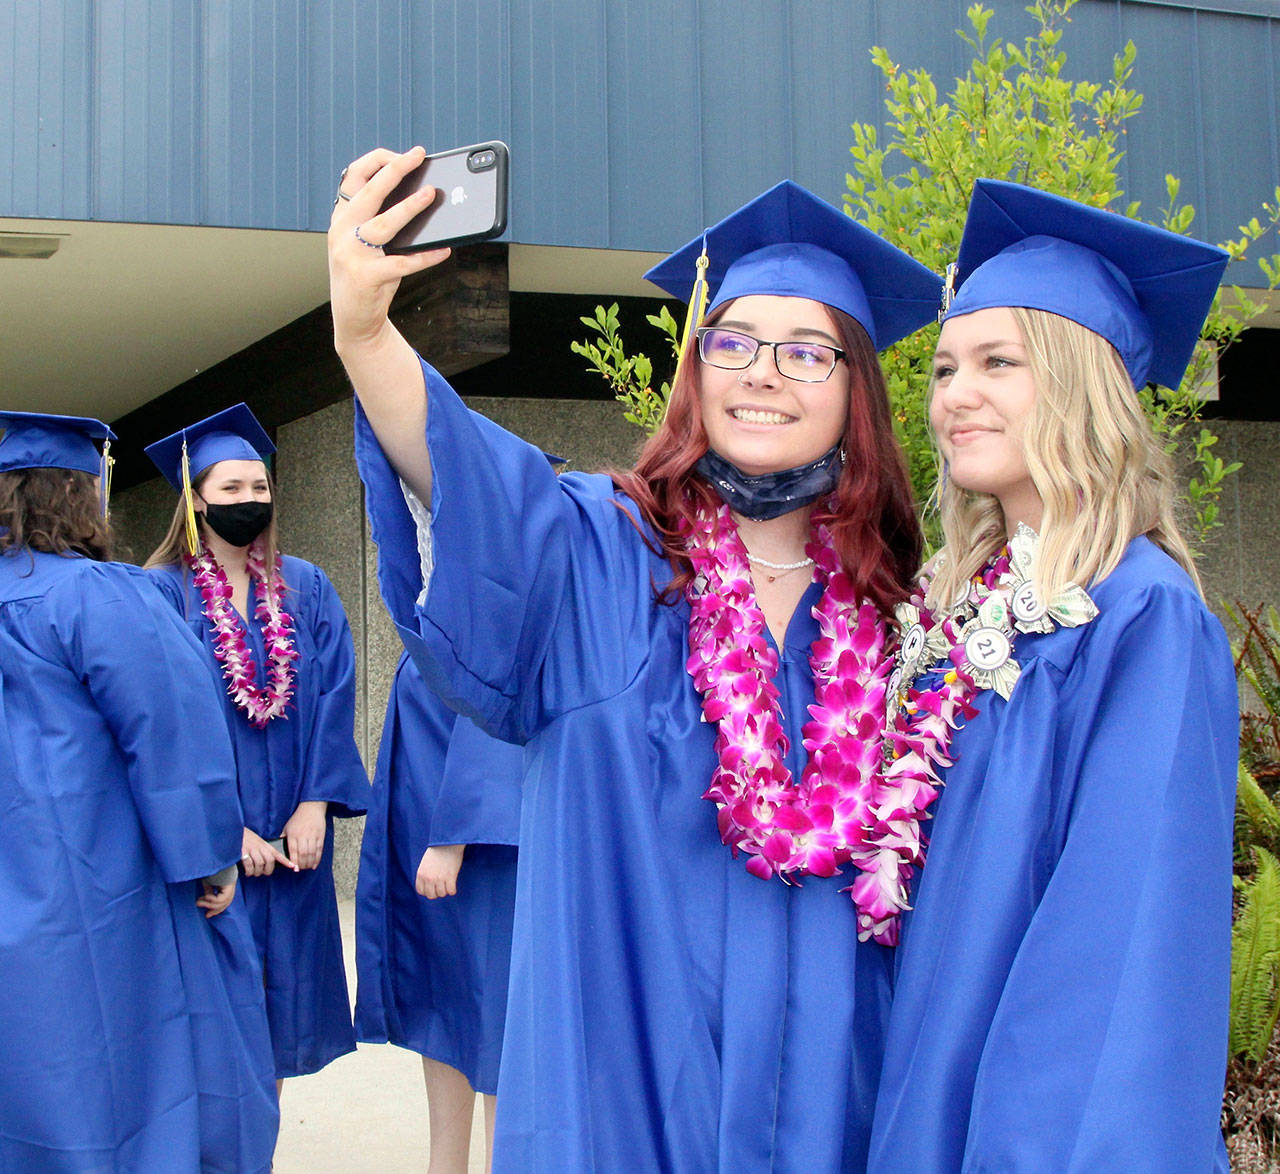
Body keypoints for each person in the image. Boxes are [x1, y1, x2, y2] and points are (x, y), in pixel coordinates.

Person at [334, 150, 943, 1171]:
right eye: (734, 340)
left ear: (857, 393)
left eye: (806, 353)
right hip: (620, 1103)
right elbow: (475, 480)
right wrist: (362, 332)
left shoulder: (898, 625)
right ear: (694, 368)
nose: (760, 369)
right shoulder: (603, 554)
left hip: (835, 1106)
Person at [866, 179, 1239, 1172]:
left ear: (1081, 383)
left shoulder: (1141, 612)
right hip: (918, 1078)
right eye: (944, 368)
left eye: (997, 362)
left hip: (1025, 1123)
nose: (953, 395)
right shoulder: (957, 609)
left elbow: (1121, 938)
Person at [0, 411, 278, 1173]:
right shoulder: (97, 596)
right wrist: (213, 859)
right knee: (135, 1076)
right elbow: (173, 738)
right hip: (105, 893)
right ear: (78, 495)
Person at [143, 404, 370, 1092]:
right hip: (211, 857)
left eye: (259, 487)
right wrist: (222, 829)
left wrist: (314, 805)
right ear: (196, 501)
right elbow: (160, 725)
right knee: (213, 1032)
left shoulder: (305, 586)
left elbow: (335, 698)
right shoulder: (161, 595)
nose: (249, 500)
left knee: (279, 1034)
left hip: (295, 849)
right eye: (230, 489)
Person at [356, 651, 522, 1174]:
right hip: (431, 773)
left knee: (498, 1011)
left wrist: (456, 829)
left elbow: (499, 657)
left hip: (488, 823)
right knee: (446, 1006)